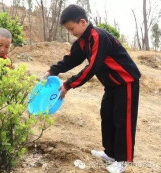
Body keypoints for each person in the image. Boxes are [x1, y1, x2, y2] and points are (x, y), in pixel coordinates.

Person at [44, 4, 141, 173]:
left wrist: (68, 85)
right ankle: (110, 154)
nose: (71, 32)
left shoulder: (98, 36)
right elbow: (71, 59)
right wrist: (52, 70)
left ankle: (123, 160)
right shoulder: (82, 42)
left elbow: (92, 67)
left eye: (72, 28)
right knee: (107, 116)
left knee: (122, 120)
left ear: (82, 22)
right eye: (68, 29)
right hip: (111, 85)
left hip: (126, 82)